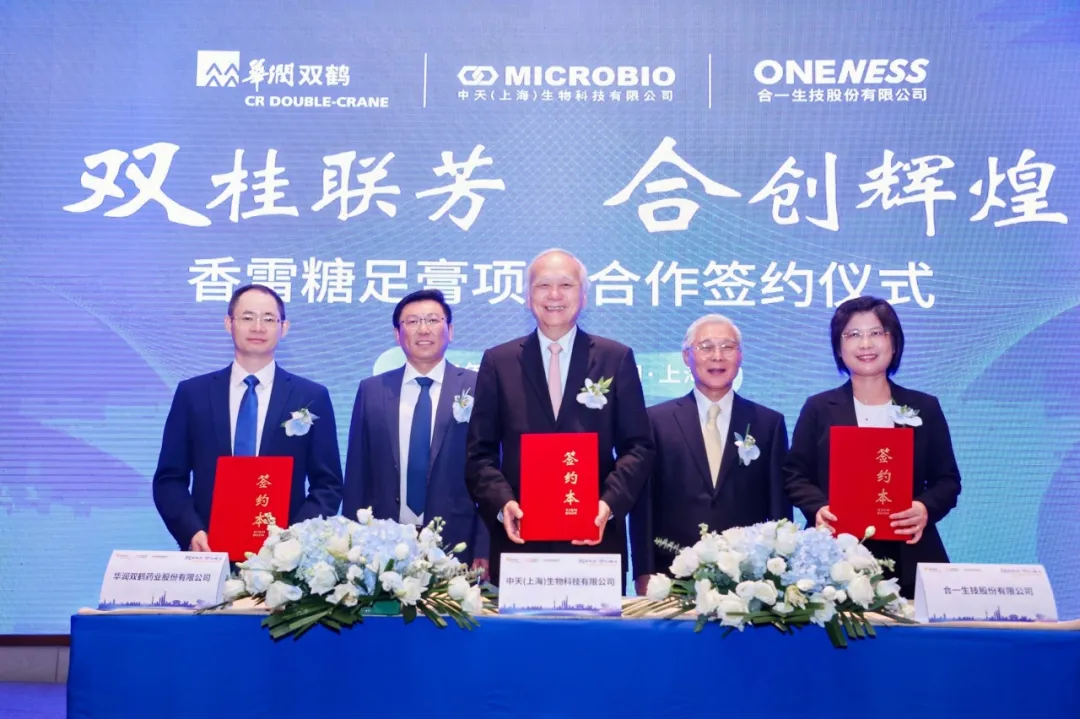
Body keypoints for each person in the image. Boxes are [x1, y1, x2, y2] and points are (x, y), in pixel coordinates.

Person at [465, 249, 654, 588]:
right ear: (528, 297)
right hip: (519, 542)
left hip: (595, 541)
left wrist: (608, 505)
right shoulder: (498, 361)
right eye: (543, 285)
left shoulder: (615, 358)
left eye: (566, 285)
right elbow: (479, 453)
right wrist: (503, 504)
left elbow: (638, 447)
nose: (554, 295)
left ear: (584, 296)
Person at [783, 295, 962, 598]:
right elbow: (795, 474)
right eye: (853, 334)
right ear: (839, 348)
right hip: (834, 558)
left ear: (894, 342)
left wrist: (923, 508)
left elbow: (947, 480)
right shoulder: (818, 408)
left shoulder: (924, 407)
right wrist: (818, 509)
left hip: (909, 553)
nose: (865, 344)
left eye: (876, 333)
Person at [153, 284, 343, 551]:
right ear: (228, 323)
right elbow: (169, 478)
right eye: (247, 317)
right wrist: (191, 530)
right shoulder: (192, 394)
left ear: (284, 328)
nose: (258, 327)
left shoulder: (311, 396)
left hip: (284, 559)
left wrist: (294, 540)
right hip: (207, 551)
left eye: (269, 319)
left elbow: (328, 484)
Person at [630, 314, 790, 594]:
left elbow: (779, 508)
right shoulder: (655, 421)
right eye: (705, 347)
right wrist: (644, 572)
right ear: (686, 357)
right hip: (673, 576)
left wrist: (778, 572)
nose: (717, 356)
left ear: (740, 356)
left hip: (749, 581)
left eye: (728, 347)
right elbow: (643, 506)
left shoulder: (768, 423)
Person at [343, 289, 488, 573]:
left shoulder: (478, 385)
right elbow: (357, 473)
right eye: (412, 322)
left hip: (457, 543)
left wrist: (485, 544)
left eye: (433, 320)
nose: (423, 329)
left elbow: (489, 469)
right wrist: (351, 541)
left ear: (450, 331)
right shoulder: (372, 390)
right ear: (397, 335)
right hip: (382, 544)